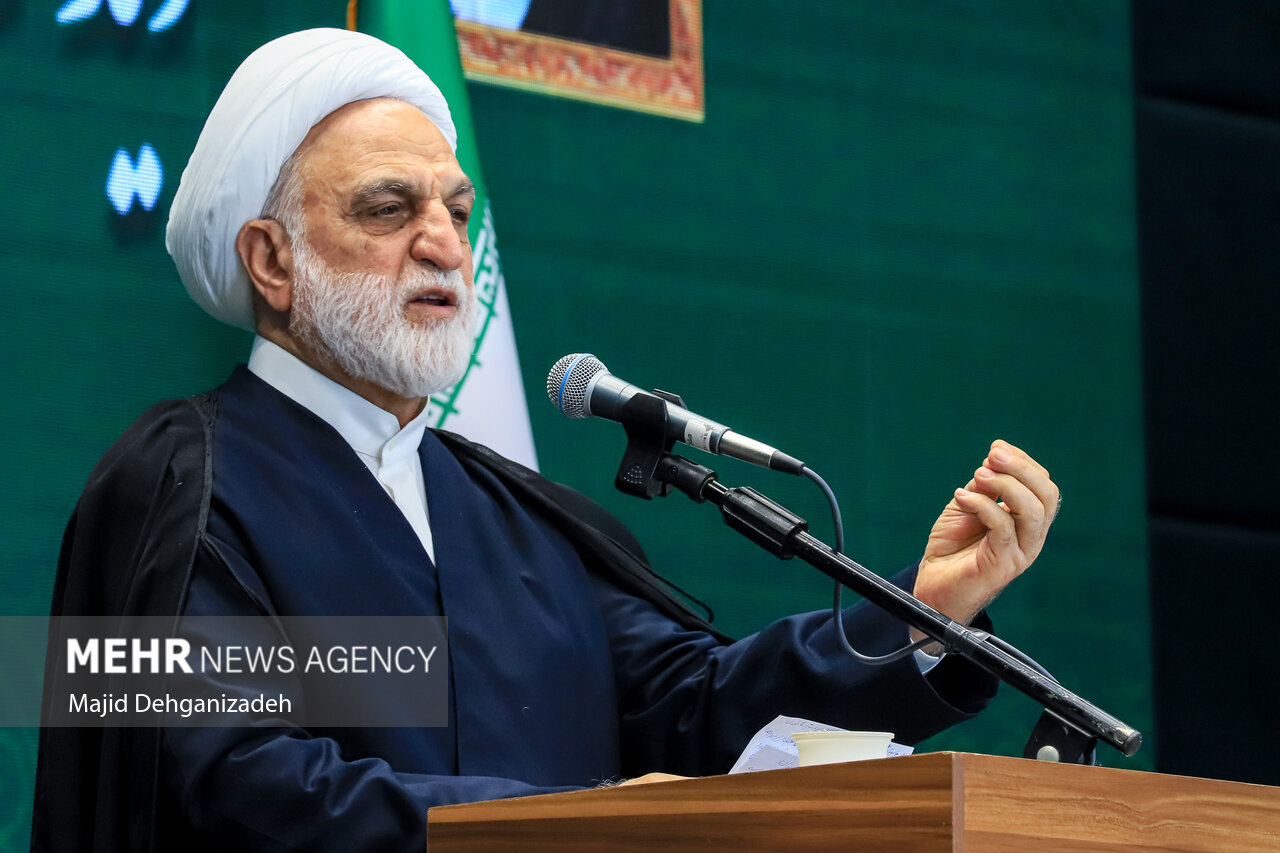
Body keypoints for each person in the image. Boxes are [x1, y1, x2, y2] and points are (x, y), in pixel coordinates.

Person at [32, 28, 1060, 853]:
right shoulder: (173, 482)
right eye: (389, 208)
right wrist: (565, 826)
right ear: (271, 260)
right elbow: (225, 779)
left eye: (456, 208)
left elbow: (698, 711)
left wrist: (924, 611)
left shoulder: (511, 513)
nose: (443, 242)